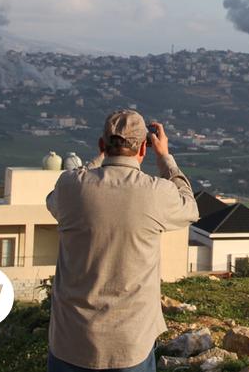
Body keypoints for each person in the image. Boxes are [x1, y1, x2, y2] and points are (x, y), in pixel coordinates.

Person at [46, 110, 199, 372]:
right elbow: (190, 208)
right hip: (129, 346)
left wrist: (98, 159)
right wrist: (165, 158)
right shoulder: (156, 192)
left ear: (102, 145)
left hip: (70, 341)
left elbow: (54, 200)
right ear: (143, 149)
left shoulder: (71, 186)